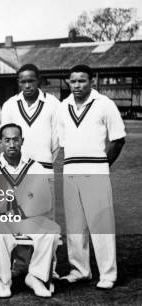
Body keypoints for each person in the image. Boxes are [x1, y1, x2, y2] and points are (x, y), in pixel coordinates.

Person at [57, 65, 125, 290]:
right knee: (75, 225)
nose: (77, 85)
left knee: (101, 224)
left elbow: (117, 139)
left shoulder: (104, 104)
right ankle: (80, 270)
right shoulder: (63, 106)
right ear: (68, 81)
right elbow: (62, 141)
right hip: (70, 171)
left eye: (82, 81)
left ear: (92, 81)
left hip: (96, 171)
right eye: (73, 81)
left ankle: (108, 274)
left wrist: (103, 165)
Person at [0, 124, 60, 298]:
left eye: (16, 140)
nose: (12, 144)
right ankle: (5, 281)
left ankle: (35, 277)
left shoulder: (35, 167)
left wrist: (21, 211)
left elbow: (45, 202)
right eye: (7, 140)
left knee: (50, 230)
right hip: (2, 220)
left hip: (28, 219)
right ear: (0, 142)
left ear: (22, 141)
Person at [0, 63, 60, 277]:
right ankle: (20, 265)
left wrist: (43, 163)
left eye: (31, 81)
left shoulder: (53, 104)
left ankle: (48, 267)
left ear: (39, 80)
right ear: (18, 83)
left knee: (44, 218)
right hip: (15, 171)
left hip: (42, 169)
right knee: (18, 216)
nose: (27, 85)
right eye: (22, 81)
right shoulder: (9, 105)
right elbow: (6, 136)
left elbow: (56, 140)